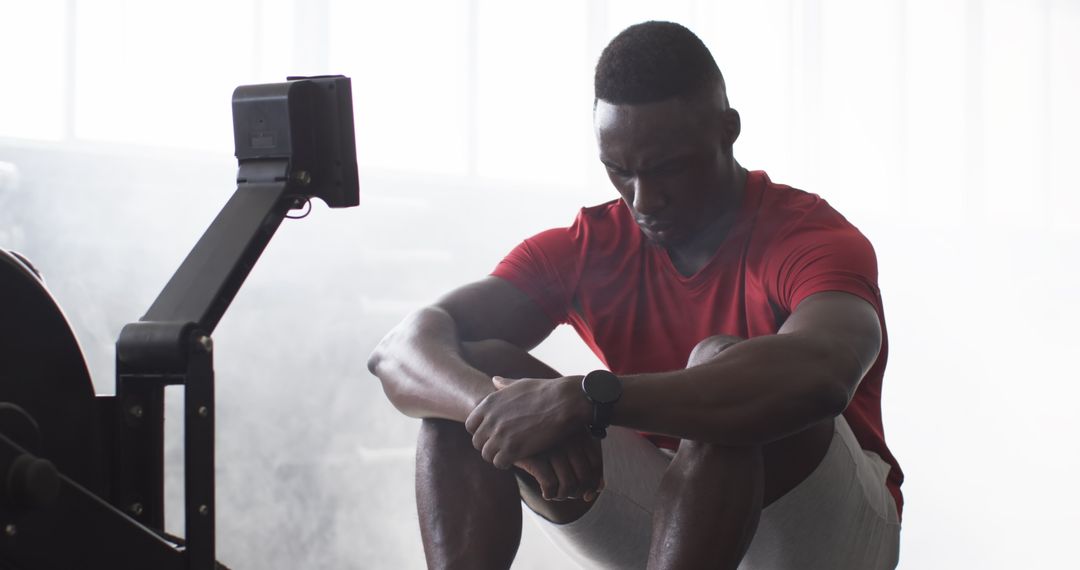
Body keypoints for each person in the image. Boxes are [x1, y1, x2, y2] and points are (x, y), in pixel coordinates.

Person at [368, 20, 903, 570]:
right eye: (620, 172)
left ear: (727, 130)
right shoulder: (585, 246)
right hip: (676, 517)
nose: (644, 200)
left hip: (825, 532)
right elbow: (398, 352)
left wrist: (588, 399)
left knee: (724, 371)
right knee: (469, 378)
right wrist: (491, 409)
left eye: (669, 169)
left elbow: (825, 377)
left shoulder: (808, 237)